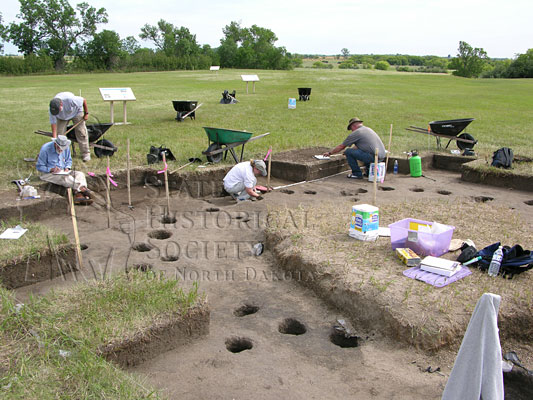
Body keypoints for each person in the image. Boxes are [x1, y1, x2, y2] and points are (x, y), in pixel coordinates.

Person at [36, 135, 93, 204]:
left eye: (62, 148)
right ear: (55, 144)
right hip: (48, 174)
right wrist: (51, 169)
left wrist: (67, 167)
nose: (61, 150)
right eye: (59, 148)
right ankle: (82, 189)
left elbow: (69, 160)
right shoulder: (45, 149)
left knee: (80, 174)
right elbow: (39, 166)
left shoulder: (66, 147)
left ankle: (78, 195)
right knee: (65, 177)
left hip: (62, 171)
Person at [49, 92, 91, 161]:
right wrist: (55, 139)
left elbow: (83, 100)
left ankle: (85, 153)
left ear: (61, 104)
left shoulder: (69, 100)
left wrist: (86, 113)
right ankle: (61, 154)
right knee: (60, 135)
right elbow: (53, 125)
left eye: (58, 110)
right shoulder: (52, 109)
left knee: (81, 131)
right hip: (62, 117)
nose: (57, 112)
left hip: (76, 112)